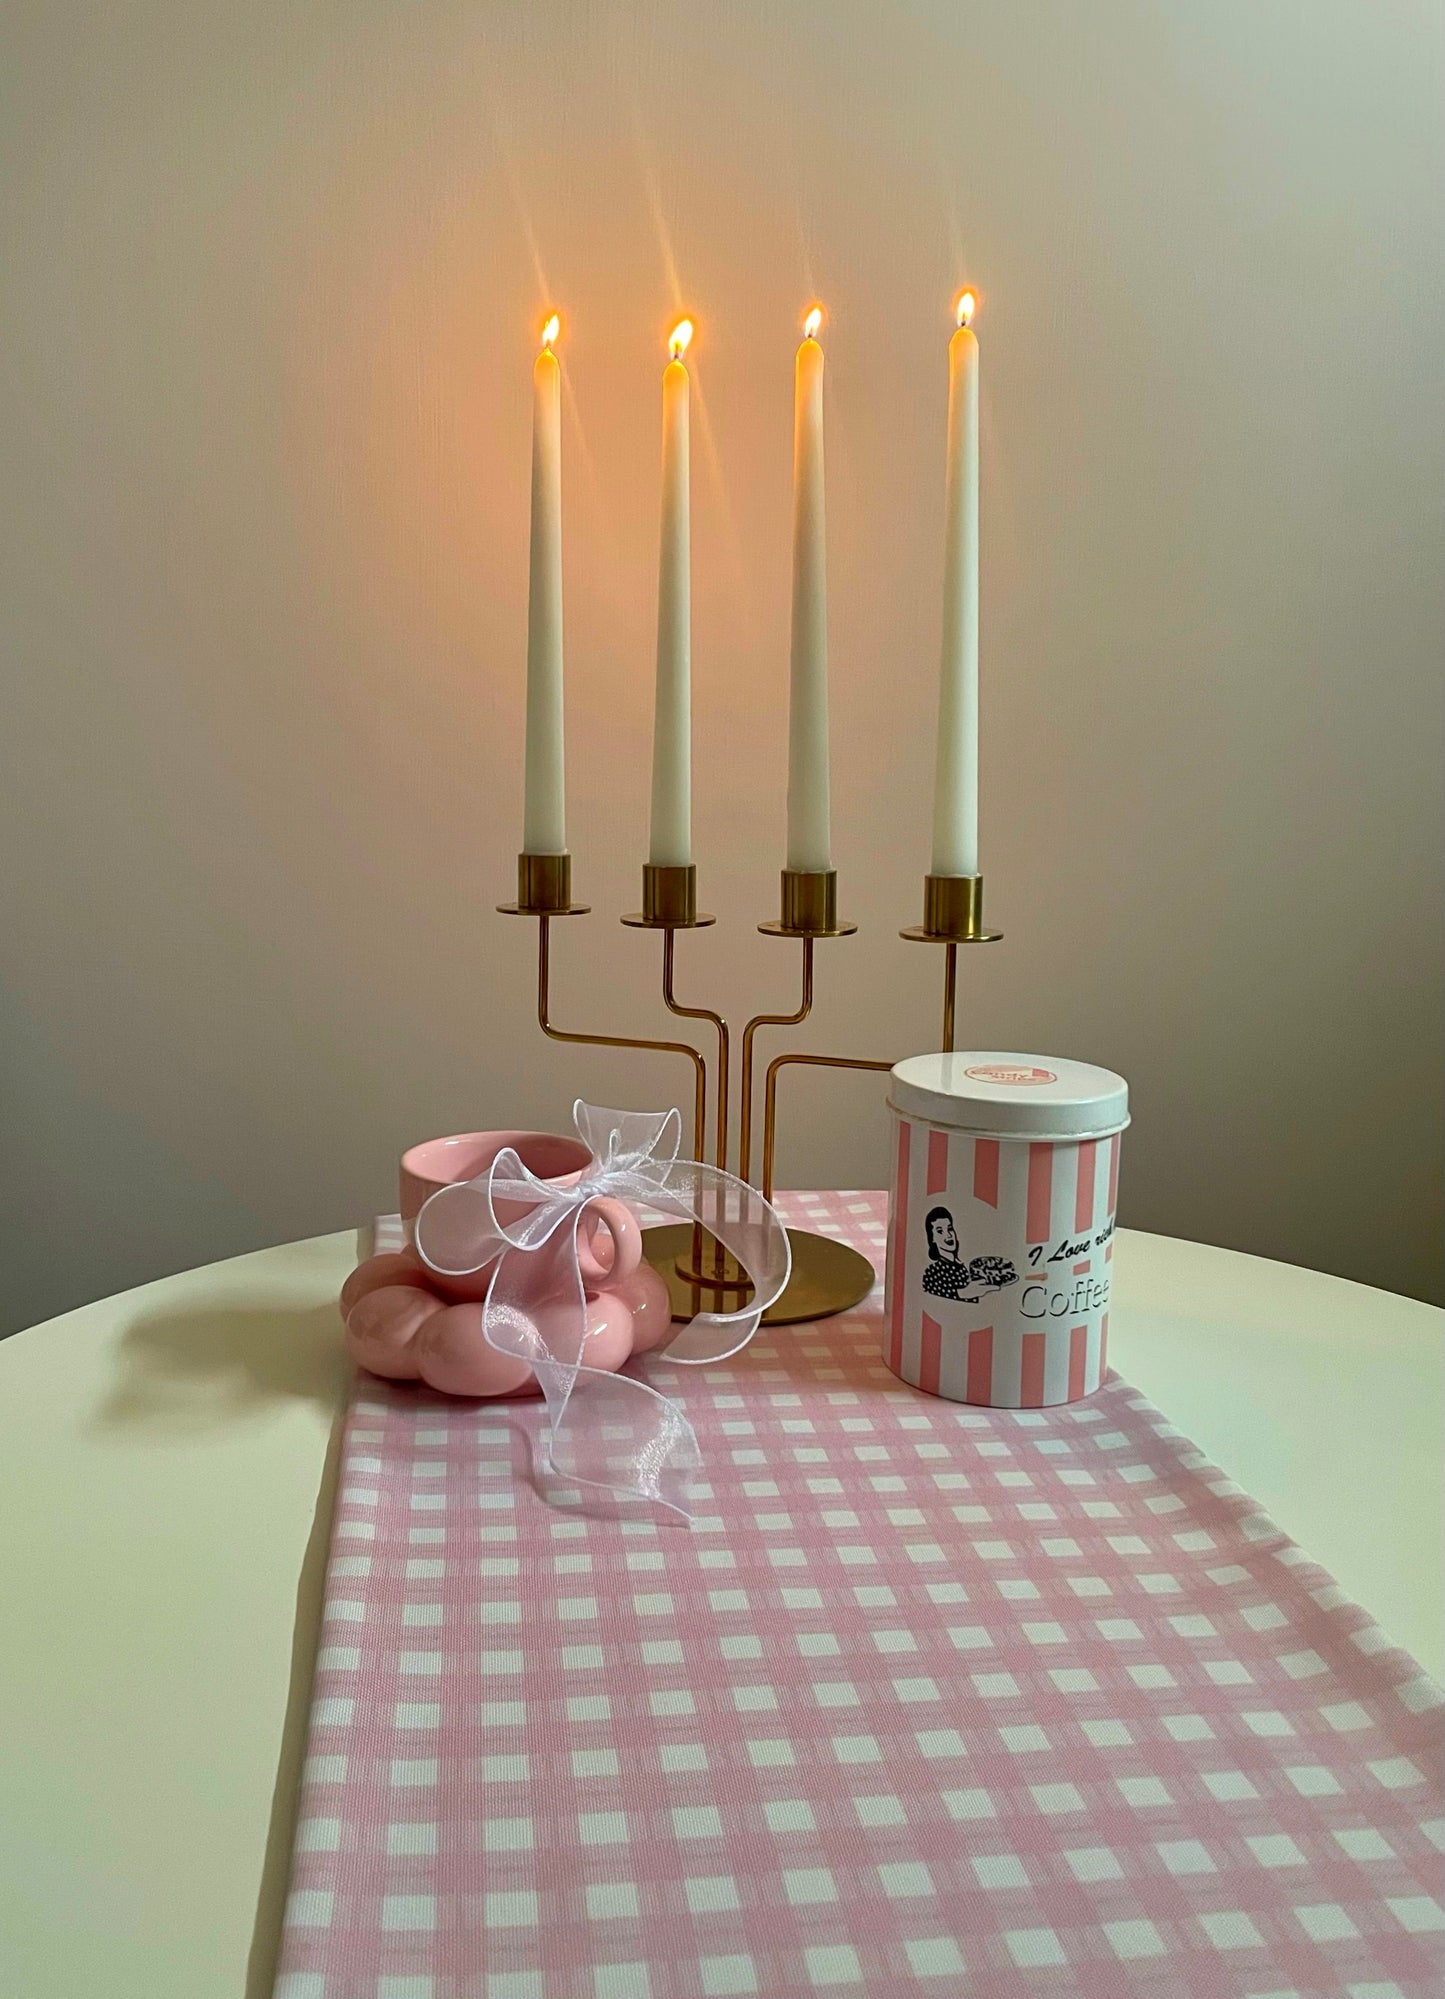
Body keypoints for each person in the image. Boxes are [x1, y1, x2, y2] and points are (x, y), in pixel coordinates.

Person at [921, 1206, 1017, 1302]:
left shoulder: (962, 1269)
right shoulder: (932, 1271)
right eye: (940, 1231)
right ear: (932, 1238)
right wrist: (964, 1293)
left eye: (950, 1229)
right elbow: (929, 1294)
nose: (948, 1235)